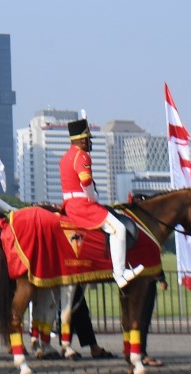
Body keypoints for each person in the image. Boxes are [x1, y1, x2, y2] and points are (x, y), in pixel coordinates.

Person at [59, 117, 135, 288]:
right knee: (118, 229)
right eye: (88, 139)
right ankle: (120, 273)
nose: (89, 143)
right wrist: (93, 199)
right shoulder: (82, 155)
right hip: (82, 205)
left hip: (69, 205)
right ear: (82, 139)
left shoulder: (65, 157)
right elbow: (85, 182)